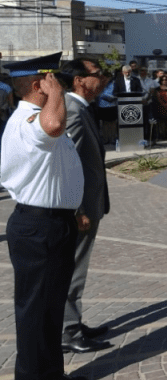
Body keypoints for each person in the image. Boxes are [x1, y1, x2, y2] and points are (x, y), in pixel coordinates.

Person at [0, 53, 89, 380]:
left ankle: (51, 375)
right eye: (54, 81)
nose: (62, 87)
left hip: (54, 222)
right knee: (36, 309)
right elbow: (52, 127)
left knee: (50, 306)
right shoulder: (30, 121)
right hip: (38, 225)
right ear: (39, 84)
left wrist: (75, 208)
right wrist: (54, 96)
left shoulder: (41, 118)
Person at [59, 59, 114, 355]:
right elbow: (71, 166)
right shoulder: (74, 112)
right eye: (97, 75)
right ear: (79, 80)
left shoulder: (81, 107)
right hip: (80, 208)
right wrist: (78, 209)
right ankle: (67, 330)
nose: (103, 79)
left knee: (76, 265)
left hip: (89, 201)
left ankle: (73, 321)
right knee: (73, 267)